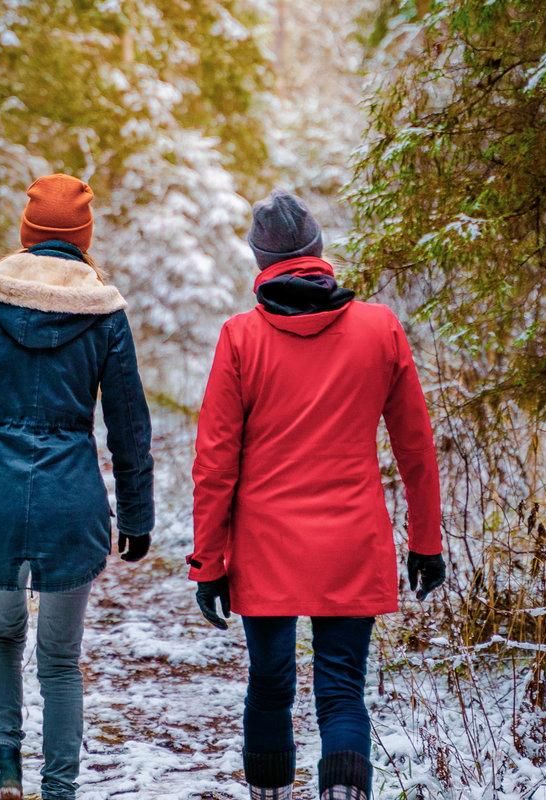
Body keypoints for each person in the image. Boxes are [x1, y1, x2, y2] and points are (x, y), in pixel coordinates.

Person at [188, 191, 446, 800]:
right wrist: (426, 544)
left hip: (265, 545)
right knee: (340, 690)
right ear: (318, 251)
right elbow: (416, 449)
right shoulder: (379, 329)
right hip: (349, 542)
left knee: (271, 685)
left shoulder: (240, 338)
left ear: (260, 261)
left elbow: (215, 462)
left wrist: (208, 560)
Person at [0, 173, 155, 800]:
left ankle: (5, 771)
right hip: (71, 500)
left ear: (28, 233)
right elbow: (128, 425)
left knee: (0, 634)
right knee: (61, 660)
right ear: (82, 237)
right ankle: (61, 788)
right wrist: (136, 514)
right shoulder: (103, 311)